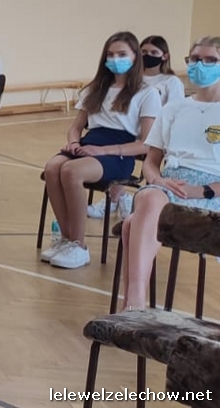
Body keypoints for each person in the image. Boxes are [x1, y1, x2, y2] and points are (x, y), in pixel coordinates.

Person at [41, 31, 160, 270]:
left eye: (122, 54)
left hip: (120, 151)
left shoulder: (147, 93)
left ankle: (79, 245)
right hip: (90, 143)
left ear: (135, 57)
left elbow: (145, 144)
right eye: (111, 55)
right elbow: (75, 127)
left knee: (71, 171)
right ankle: (66, 238)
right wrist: (74, 143)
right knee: (53, 167)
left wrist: (104, 150)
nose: (115, 59)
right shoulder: (95, 89)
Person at [119, 36, 220, 309]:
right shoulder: (175, 108)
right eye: (195, 59)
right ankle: (136, 302)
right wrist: (157, 179)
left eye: (211, 60)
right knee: (149, 197)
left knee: (131, 224)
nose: (201, 65)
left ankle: (132, 305)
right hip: (170, 182)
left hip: (212, 190)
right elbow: (151, 161)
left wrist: (202, 190)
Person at [88, 34, 184, 220]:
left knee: (131, 150)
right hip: (131, 130)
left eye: (154, 52)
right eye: (144, 51)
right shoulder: (133, 79)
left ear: (164, 56)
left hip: (156, 134)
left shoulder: (171, 82)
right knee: (120, 144)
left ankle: (123, 200)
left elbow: (175, 112)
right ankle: (117, 198)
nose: (148, 56)